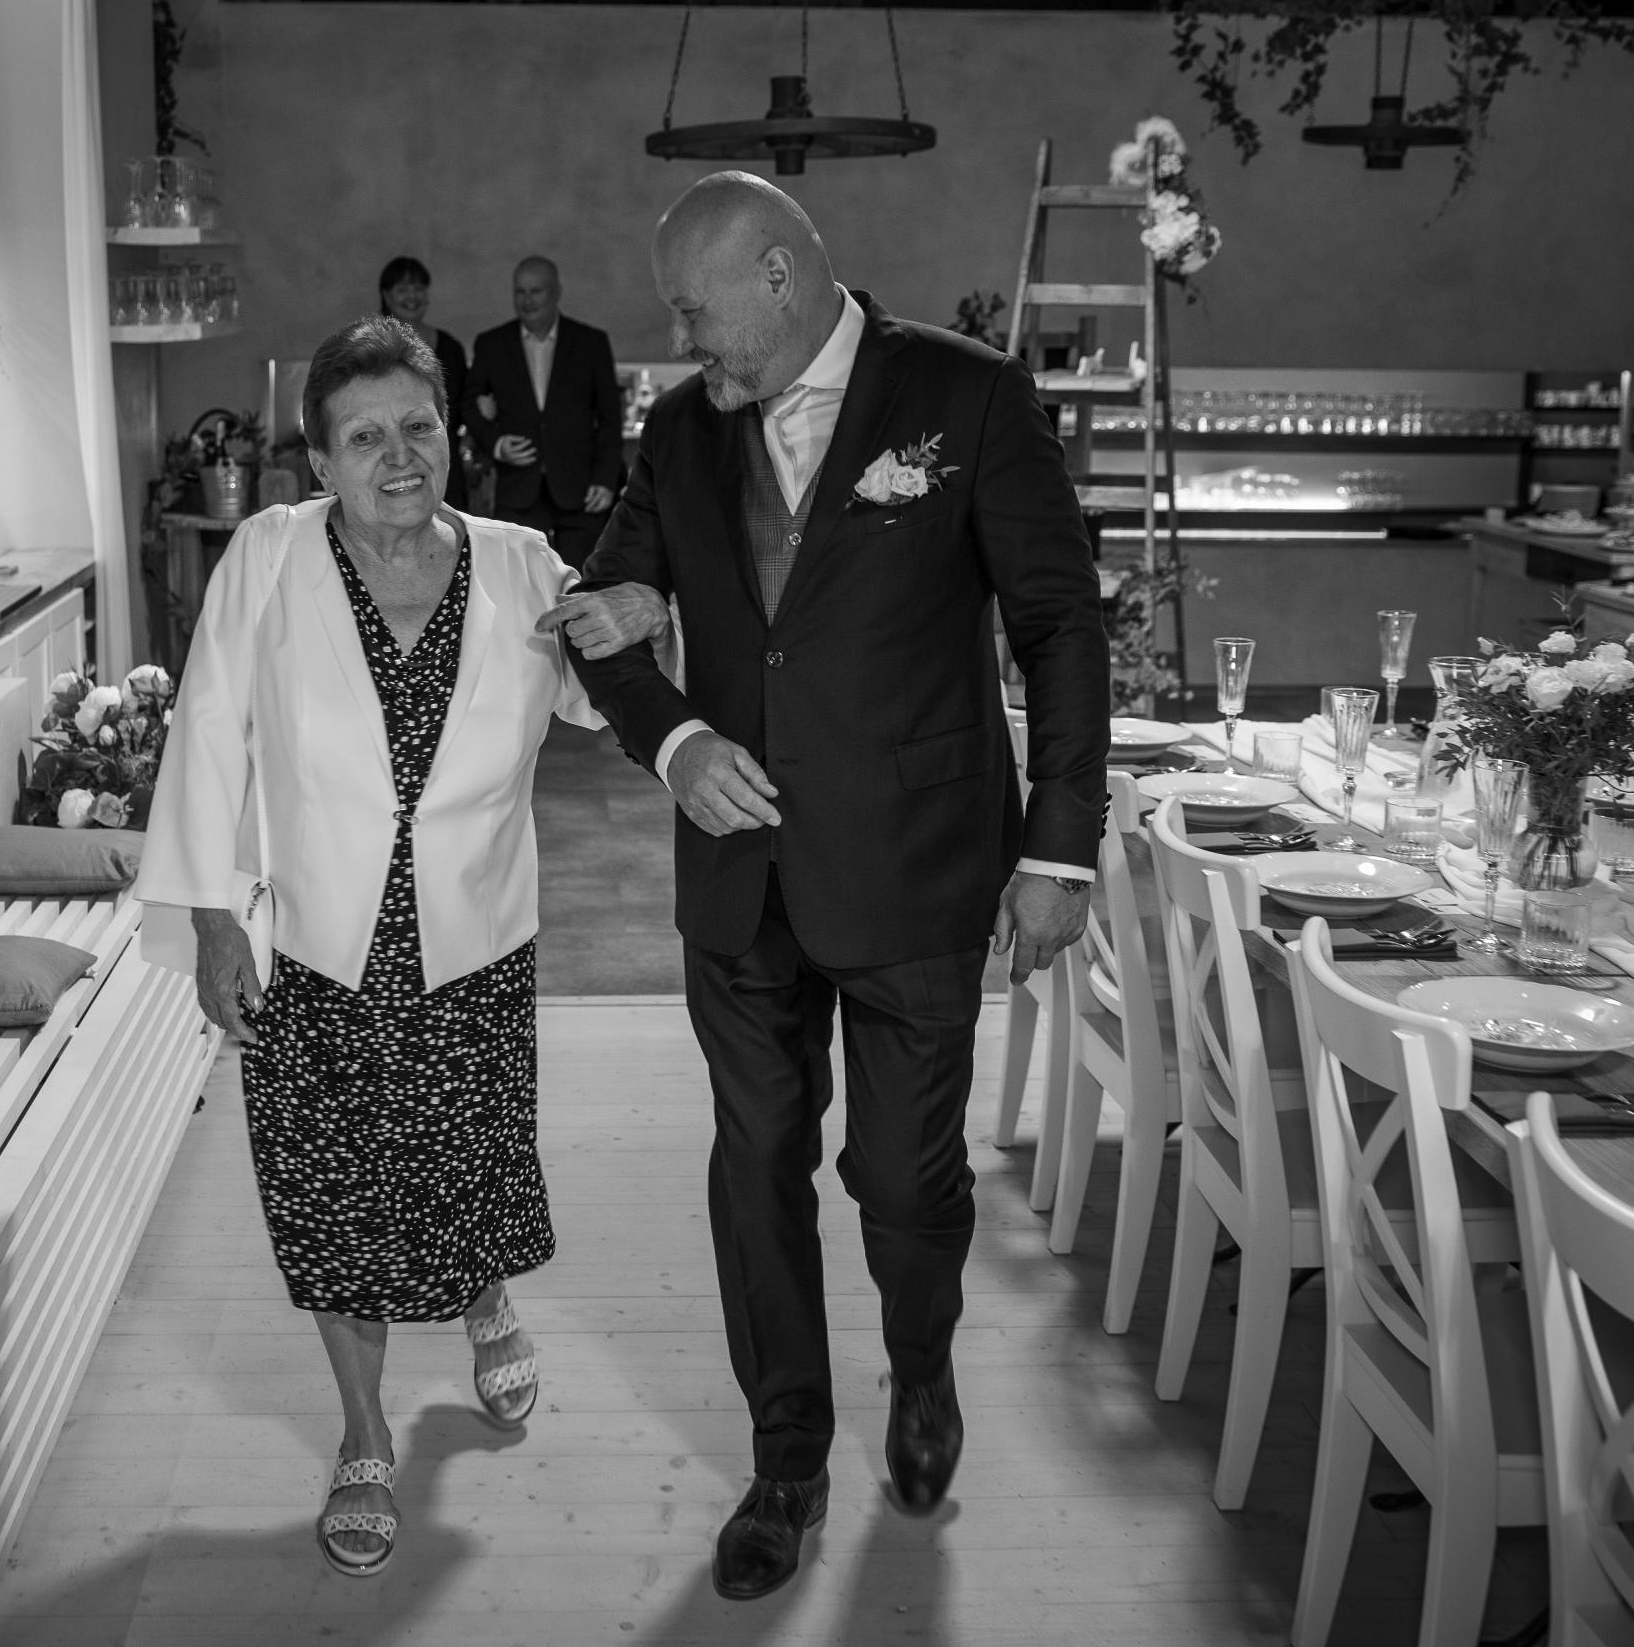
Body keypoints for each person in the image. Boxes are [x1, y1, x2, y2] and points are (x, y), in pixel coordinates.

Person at [540, 172, 1110, 1601]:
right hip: (739, 879)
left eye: (694, 310)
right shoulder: (680, 433)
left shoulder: (967, 397)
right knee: (757, 1169)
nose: (681, 342)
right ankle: (786, 1460)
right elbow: (595, 620)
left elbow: (1059, 625)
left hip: (917, 866)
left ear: (780, 274)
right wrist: (674, 742)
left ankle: (921, 1368)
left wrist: (1058, 848)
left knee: (905, 1179)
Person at [138, 316, 628, 1577]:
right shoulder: (268, 557)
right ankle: (363, 1433)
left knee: (468, 1171)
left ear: (452, 434)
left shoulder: (524, 566)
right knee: (333, 1200)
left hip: (474, 942)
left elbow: (607, 698)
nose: (397, 456)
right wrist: (209, 917)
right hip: (312, 945)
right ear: (320, 461)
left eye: (419, 426)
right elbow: (208, 734)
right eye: (364, 438)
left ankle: (485, 1296)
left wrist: (652, 625)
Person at [467, 256, 623, 567]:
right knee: (515, 580)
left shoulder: (591, 343)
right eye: (520, 292)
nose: (527, 301)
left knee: (581, 582)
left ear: (556, 292)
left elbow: (610, 417)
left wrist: (605, 479)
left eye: (536, 291)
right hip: (518, 491)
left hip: (580, 490)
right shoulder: (491, 343)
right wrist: (497, 444)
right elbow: (467, 404)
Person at [376, 254, 474, 509]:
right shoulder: (370, 347)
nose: (412, 296)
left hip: (443, 457)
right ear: (386, 295)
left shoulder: (450, 347)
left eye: (418, 288)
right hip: (390, 458)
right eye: (403, 289)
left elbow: (463, 405)